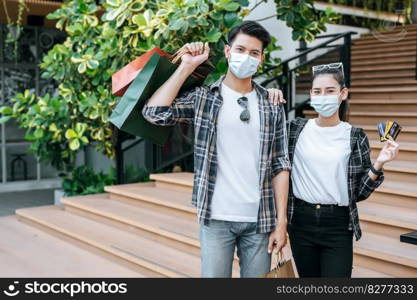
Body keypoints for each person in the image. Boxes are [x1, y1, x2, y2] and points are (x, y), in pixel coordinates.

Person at [142, 21, 291, 278]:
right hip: (215, 217)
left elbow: (281, 165)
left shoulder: (271, 104)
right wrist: (187, 67)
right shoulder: (204, 99)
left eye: (254, 53)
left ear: (261, 59)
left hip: (260, 219)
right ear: (227, 51)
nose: (246, 57)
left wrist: (281, 222)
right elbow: (154, 113)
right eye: (241, 49)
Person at [286, 62, 400, 277]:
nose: (323, 96)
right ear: (310, 94)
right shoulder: (294, 129)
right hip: (300, 220)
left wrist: (379, 163)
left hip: (338, 224)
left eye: (330, 91)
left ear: (343, 93)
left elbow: (359, 193)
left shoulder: (355, 136)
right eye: (317, 91)